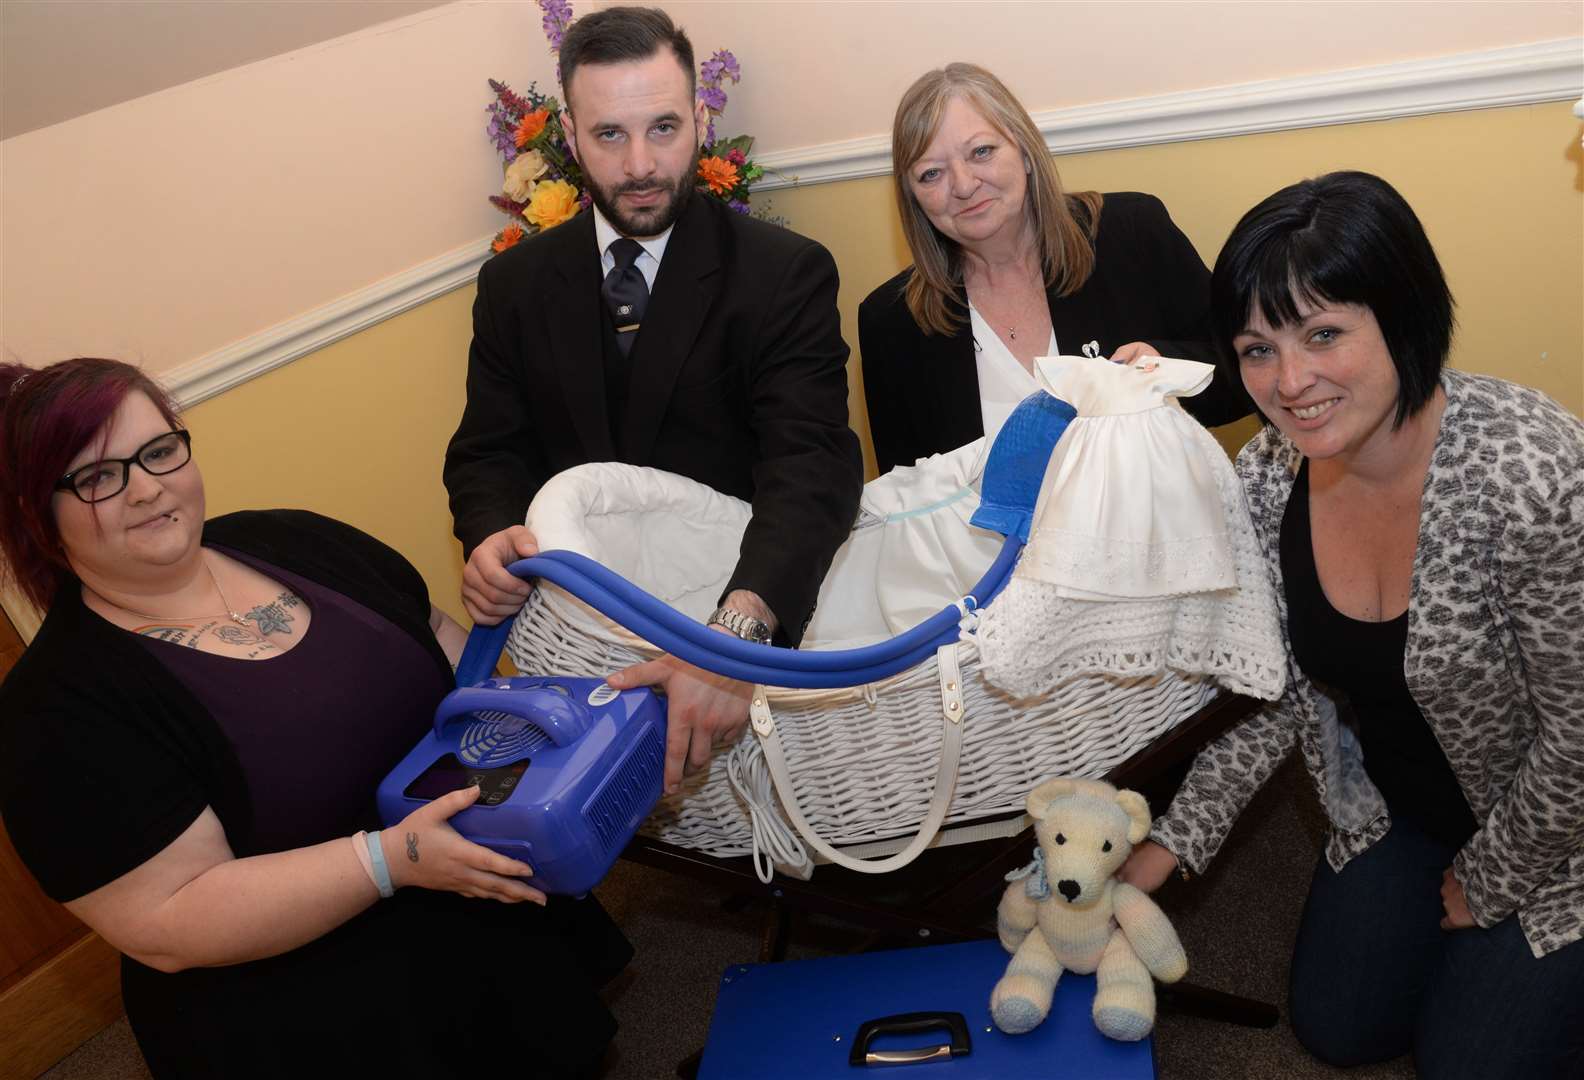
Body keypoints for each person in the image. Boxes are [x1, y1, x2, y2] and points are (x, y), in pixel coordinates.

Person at [0, 358, 632, 1079]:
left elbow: (455, 666)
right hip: (312, 1011)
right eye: (97, 477)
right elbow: (170, 919)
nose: (146, 488)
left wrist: (588, 716)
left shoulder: (295, 540)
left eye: (158, 451)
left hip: (478, 919)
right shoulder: (54, 711)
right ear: (35, 513)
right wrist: (391, 861)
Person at [1119, 172, 1584, 1078]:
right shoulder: (1267, 475)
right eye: (1258, 350)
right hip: (1406, 805)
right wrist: (1172, 843)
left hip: (1564, 825)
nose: (1291, 383)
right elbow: (1272, 693)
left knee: (1469, 1062)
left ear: (1402, 316)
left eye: (1324, 334)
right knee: (1339, 1027)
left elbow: (1580, 731)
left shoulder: (1533, 472)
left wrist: (1489, 881)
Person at [443, 6, 862, 794]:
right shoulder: (513, 285)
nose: (640, 164)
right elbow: (488, 450)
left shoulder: (784, 273)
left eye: (664, 127)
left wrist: (732, 642)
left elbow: (812, 467)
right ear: (570, 135)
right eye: (609, 135)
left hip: (739, 601)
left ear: (701, 120)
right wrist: (490, 533)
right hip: (584, 633)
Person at [858, 63, 1250, 476]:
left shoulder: (1132, 234)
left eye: (981, 152)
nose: (963, 185)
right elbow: (907, 501)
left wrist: (1162, 369)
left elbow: (1244, 375)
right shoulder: (891, 322)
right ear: (913, 196)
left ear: (1025, 151)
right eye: (931, 173)